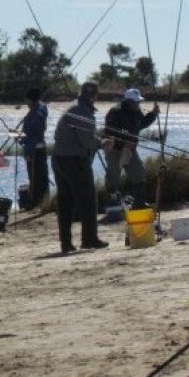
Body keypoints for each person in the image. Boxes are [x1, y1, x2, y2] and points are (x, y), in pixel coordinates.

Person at [52, 82, 112, 254]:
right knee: (87, 199)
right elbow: (86, 141)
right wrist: (102, 143)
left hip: (58, 159)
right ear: (95, 96)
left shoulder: (72, 109)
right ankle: (89, 239)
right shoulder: (85, 113)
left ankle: (66, 243)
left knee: (65, 201)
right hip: (74, 160)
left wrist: (96, 140)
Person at [104, 88, 159, 208]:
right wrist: (124, 140)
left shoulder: (136, 111)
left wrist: (153, 114)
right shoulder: (115, 111)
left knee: (139, 174)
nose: (138, 104)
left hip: (130, 150)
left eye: (139, 102)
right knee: (113, 177)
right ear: (128, 101)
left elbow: (141, 124)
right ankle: (113, 204)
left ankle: (139, 203)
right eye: (136, 102)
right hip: (115, 150)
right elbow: (109, 131)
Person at [21, 88, 49, 209]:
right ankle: (39, 202)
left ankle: (37, 202)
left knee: (36, 177)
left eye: (27, 100)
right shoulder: (38, 109)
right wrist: (22, 137)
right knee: (37, 177)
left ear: (31, 100)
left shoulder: (37, 112)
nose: (26, 103)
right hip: (35, 148)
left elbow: (34, 132)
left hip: (35, 150)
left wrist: (27, 150)